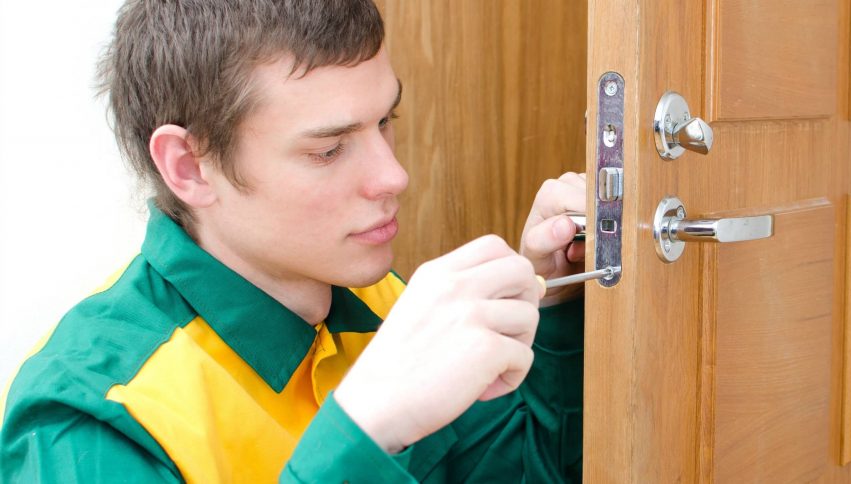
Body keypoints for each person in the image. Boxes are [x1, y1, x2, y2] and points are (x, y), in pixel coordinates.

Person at [0, 1, 587, 482]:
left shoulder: (384, 304)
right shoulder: (92, 420)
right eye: (328, 149)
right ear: (189, 167)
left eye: (385, 122)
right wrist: (363, 430)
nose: (394, 177)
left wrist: (556, 305)